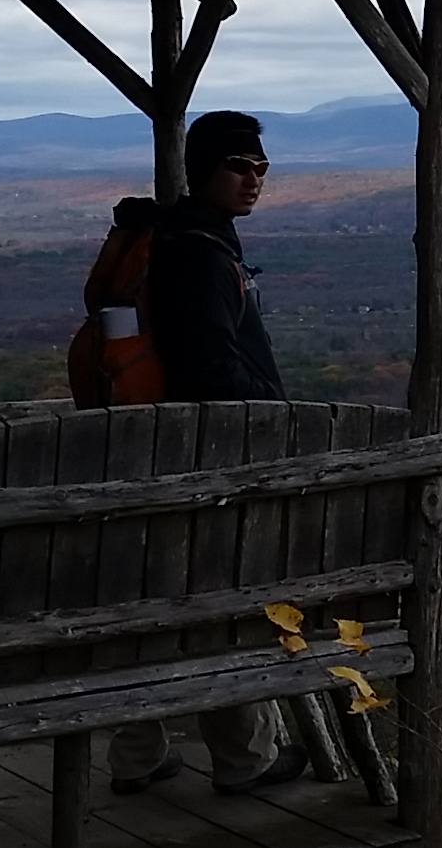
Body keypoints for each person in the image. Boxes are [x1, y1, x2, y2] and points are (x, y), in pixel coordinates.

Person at [107, 109, 300, 797]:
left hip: (162, 454)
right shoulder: (198, 254)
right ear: (204, 171)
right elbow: (209, 364)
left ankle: (137, 754)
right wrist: (276, 414)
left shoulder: (183, 239)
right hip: (210, 457)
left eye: (261, 169)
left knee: (159, 606)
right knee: (225, 602)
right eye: (238, 167)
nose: (252, 181)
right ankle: (246, 758)